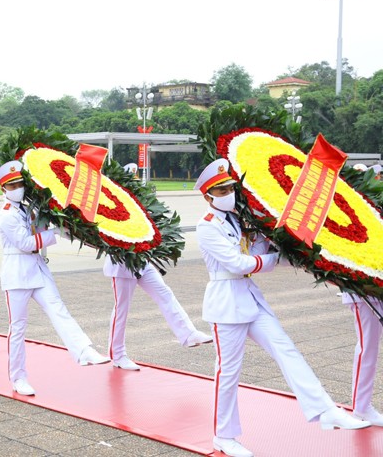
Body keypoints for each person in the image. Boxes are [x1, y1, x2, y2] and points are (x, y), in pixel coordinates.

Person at [194, 158, 369, 457]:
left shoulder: (238, 220)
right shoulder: (206, 227)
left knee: (286, 350)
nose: (228, 194)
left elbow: (257, 251)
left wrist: (283, 245)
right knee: (228, 373)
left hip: (250, 297)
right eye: (221, 191)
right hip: (226, 304)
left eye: (230, 189)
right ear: (208, 196)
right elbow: (239, 263)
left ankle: (325, 409)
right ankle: (223, 436)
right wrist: (274, 259)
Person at [0, 160, 109, 397]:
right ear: (3, 189)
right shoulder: (6, 215)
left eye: (19, 183)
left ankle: (84, 349)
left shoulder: (26, 208)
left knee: (59, 309)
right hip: (17, 273)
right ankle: (18, 377)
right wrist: (53, 233)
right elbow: (26, 244)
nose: (18, 187)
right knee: (18, 328)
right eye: (12, 185)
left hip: (37, 269)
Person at [104, 259, 212, 370]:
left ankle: (189, 334)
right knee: (122, 308)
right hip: (122, 266)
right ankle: (118, 355)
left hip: (142, 263)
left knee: (165, 294)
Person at [341, 293, 383, 426]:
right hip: (364, 295)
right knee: (368, 349)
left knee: (370, 348)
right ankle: (361, 407)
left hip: (375, 293)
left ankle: (362, 406)